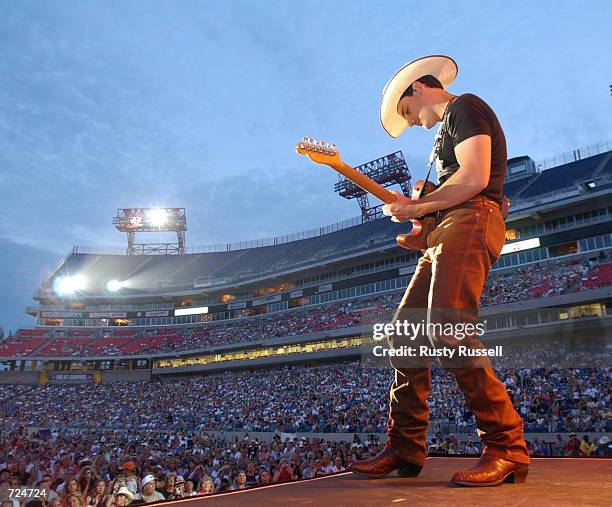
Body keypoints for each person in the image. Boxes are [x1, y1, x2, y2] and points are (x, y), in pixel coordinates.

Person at [349, 54, 530, 487]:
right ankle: (406, 447)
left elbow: (473, 178)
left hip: (472, 218)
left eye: (406, 111)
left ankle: (508, 449)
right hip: (448, 228)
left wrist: (421, 205)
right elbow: (450, 190)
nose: (409, 121)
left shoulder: (465, 106)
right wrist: (420, 208)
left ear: (417, 88)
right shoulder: (442, 136)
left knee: (448, 325)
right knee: (404, 332)